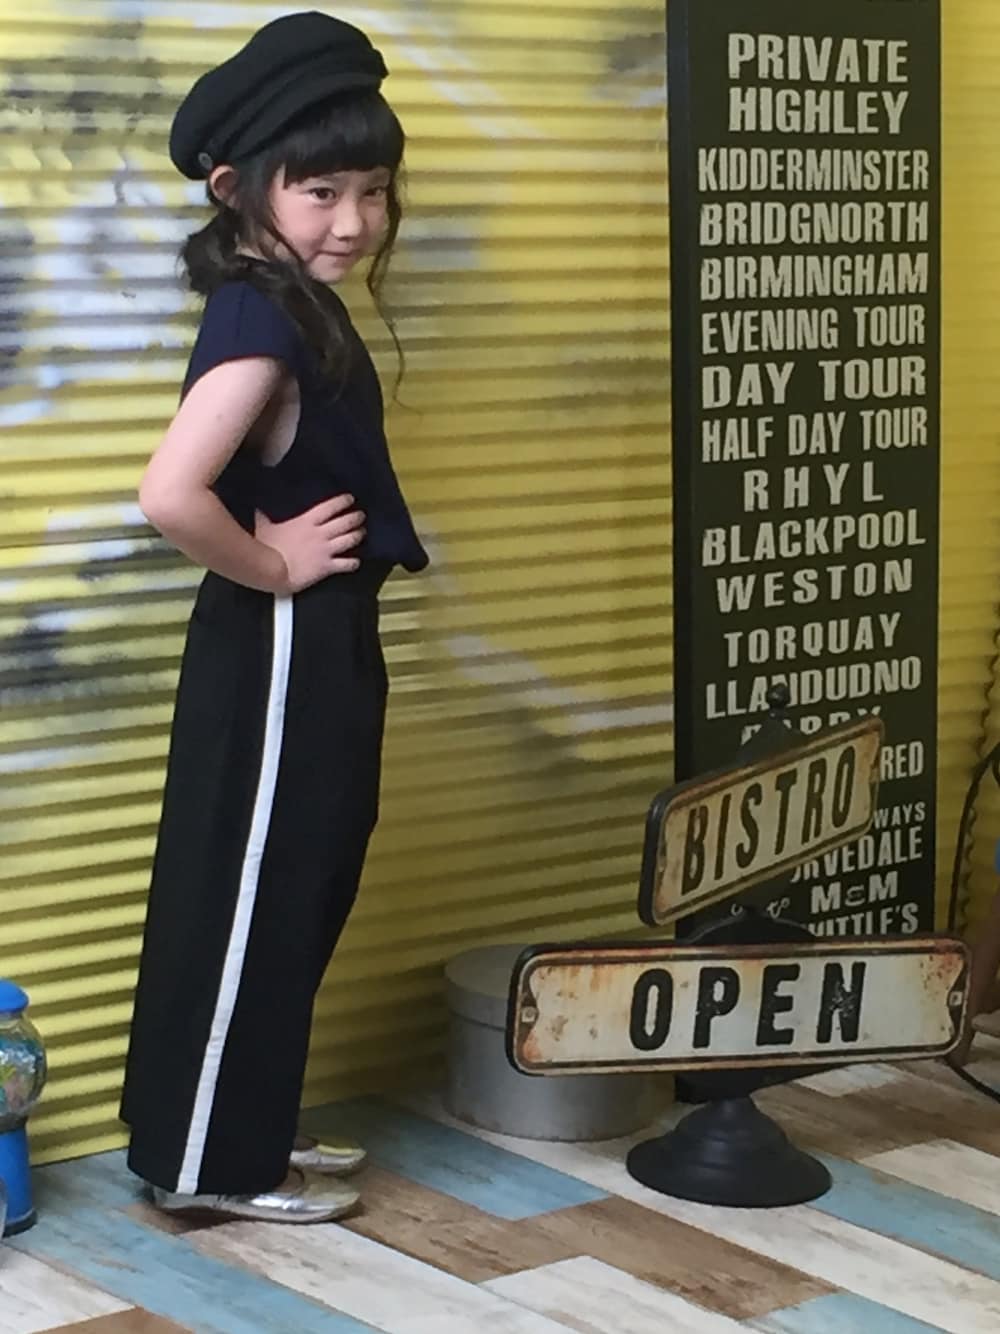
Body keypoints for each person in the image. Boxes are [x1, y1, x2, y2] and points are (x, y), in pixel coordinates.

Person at [119, 11, 428, 1225]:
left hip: (314, 644)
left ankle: (228, 1113)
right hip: (284, 643)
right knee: (257, 888)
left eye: (374, 190)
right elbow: (170, 492)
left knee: (287, 881)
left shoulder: (289, 299)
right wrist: (272, 565)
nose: (354, 221)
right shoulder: (261, 321)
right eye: (321, 191)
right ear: (237, 187)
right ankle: (212, 1161)